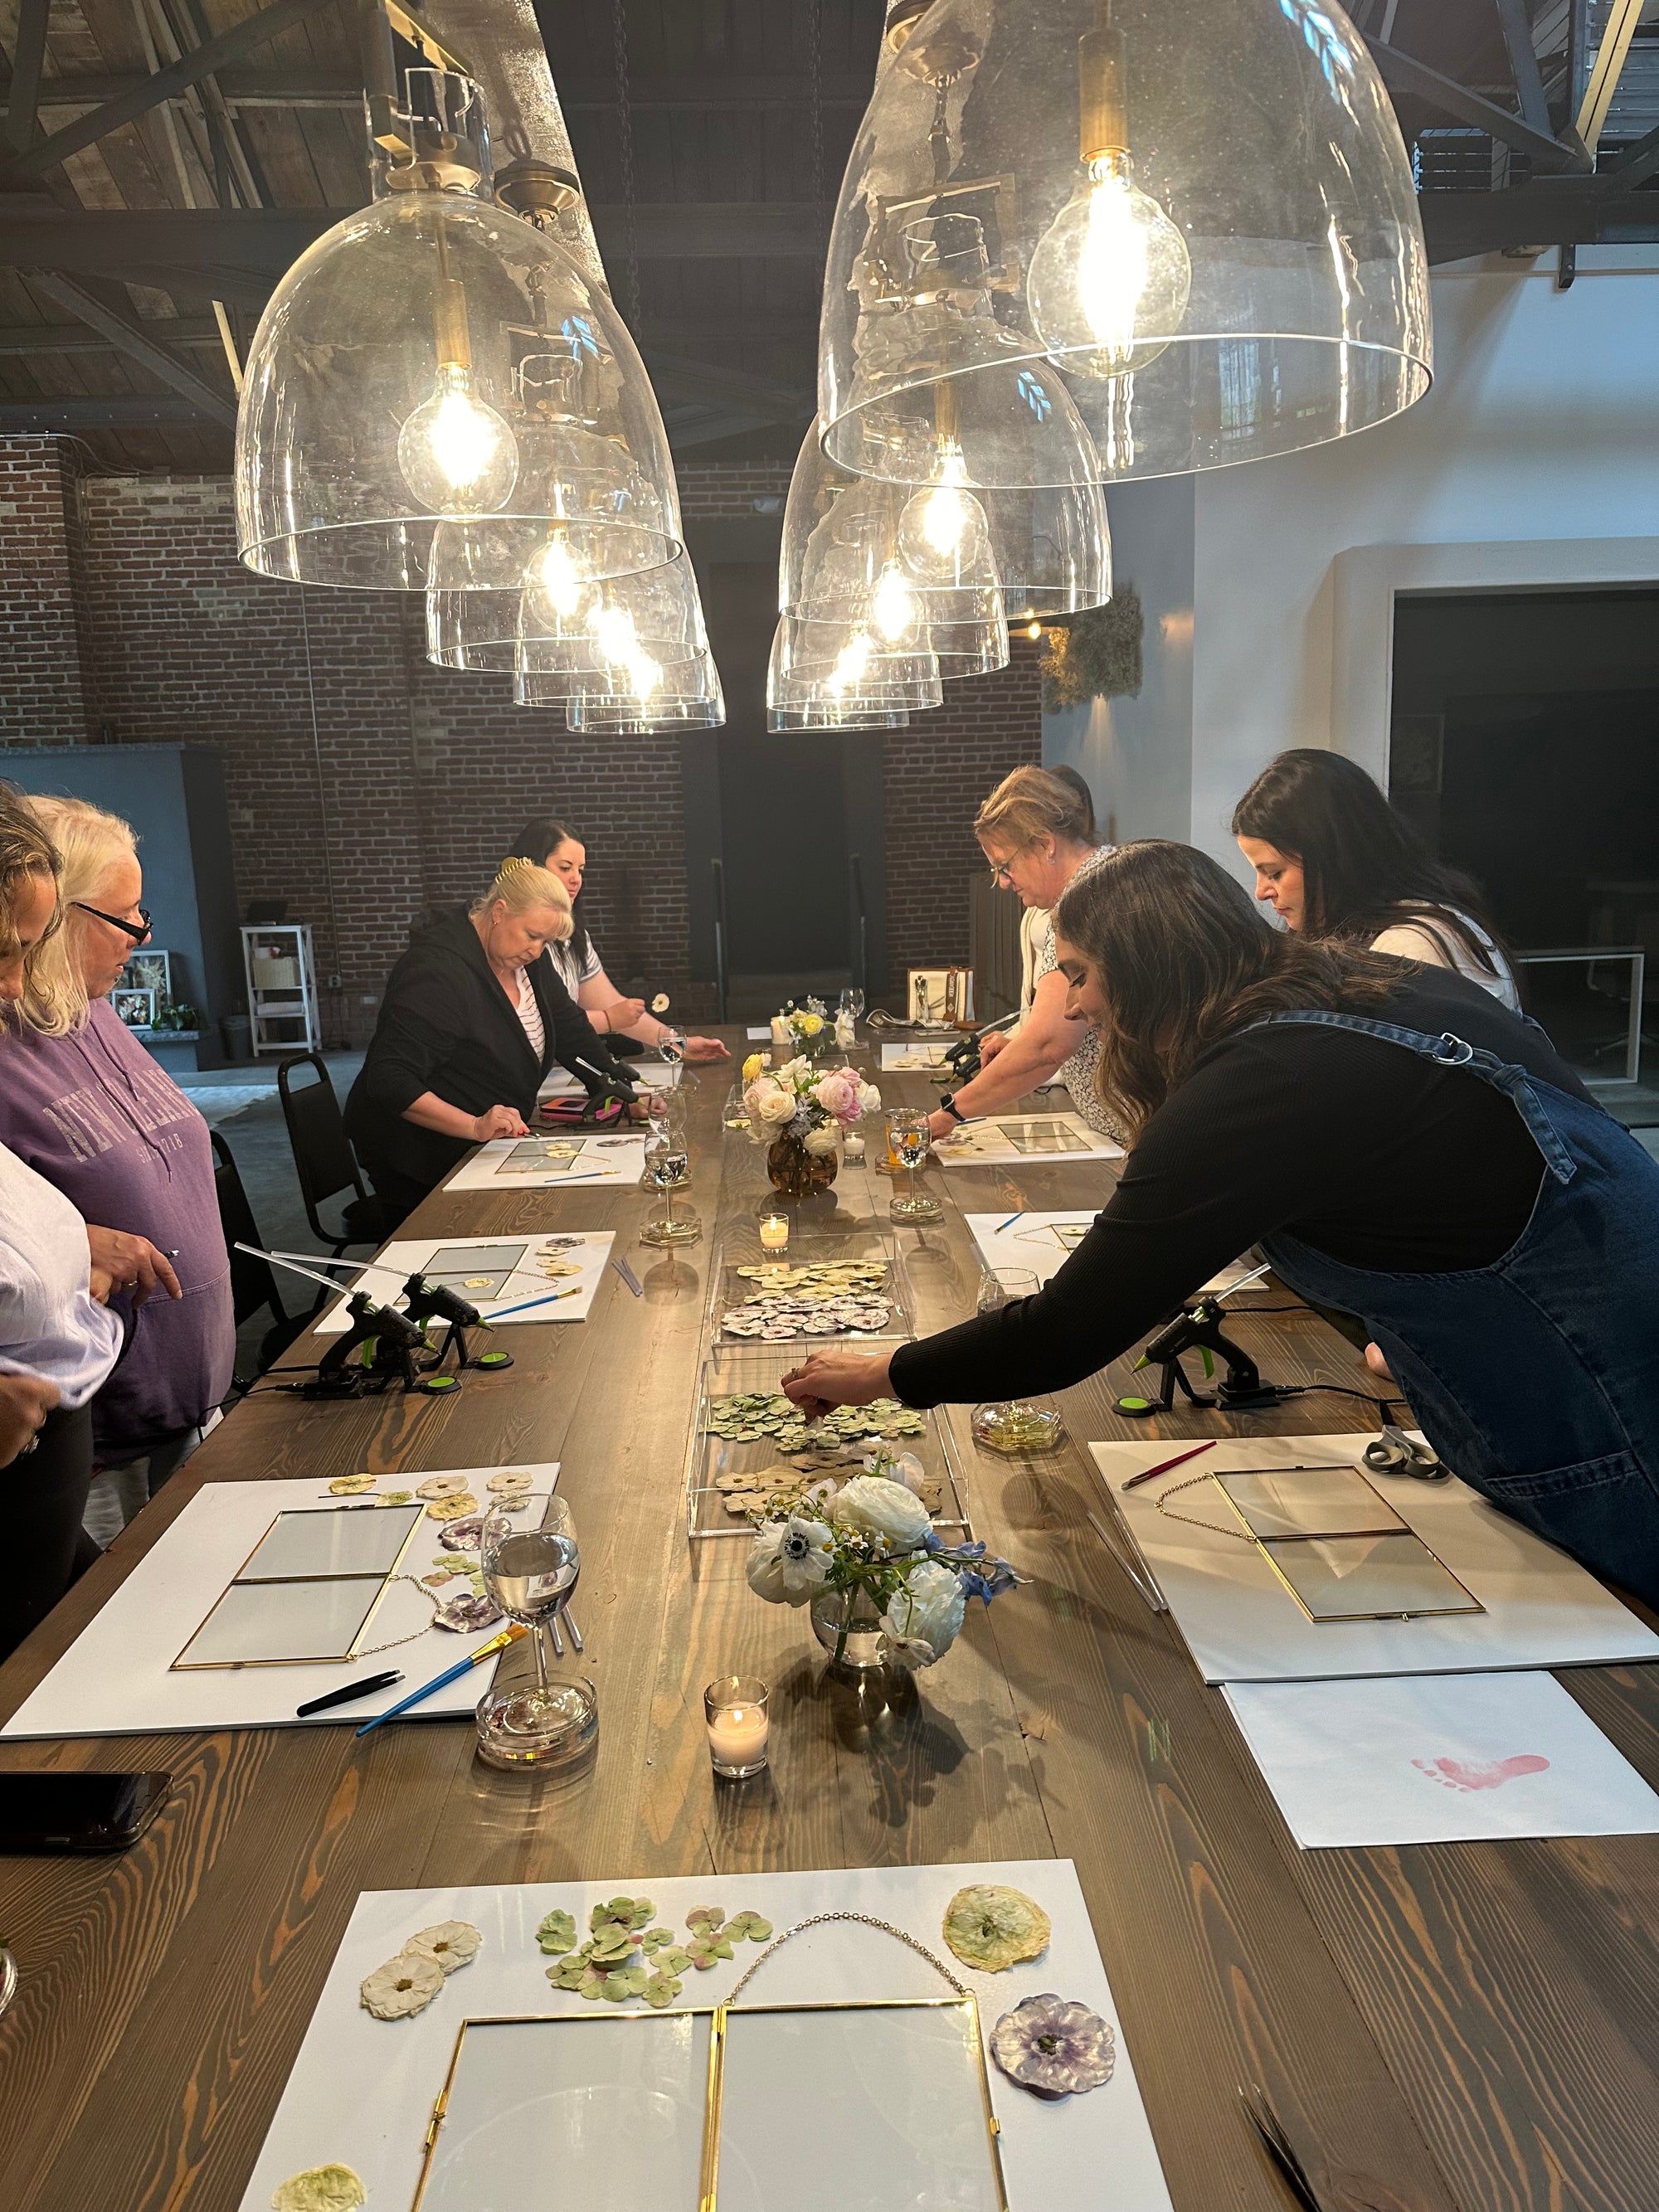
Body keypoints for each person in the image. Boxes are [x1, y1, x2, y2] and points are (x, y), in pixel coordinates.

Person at [784, 840, 1659, 1609]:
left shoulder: (1259, 1081)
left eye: (1081, 972)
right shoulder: (1374, 986)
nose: (1075, 1004)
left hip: (1595, 1396)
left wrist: (888, 1372)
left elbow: (1068, 1327)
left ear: (1147, 967)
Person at [0, 797, 232, 1519]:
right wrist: (73, 1243)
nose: (140, 935)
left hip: (187, 1402)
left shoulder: (94, 1010)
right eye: (124, 916)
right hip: (99, 1437)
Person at [0, 789, 125, 1659]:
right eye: (2, 952)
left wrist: (77, 1249)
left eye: (26, 952)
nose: (13, 985)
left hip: (34, 1552)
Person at [345, 859, 642, 1220]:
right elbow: (390, 1079)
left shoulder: (526, 959)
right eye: (532, 935)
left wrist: (621, 1090)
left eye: (545, 941)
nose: (537, 949)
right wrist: (473, 1125)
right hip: (420, 1156)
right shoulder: (438, 972)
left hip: (484, 1146)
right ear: (499, 912)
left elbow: (570, 1029)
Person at [920, 765, 1121, 1145]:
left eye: (1004, 866)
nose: (1002, 882)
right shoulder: (1098, 880)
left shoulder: (1087, 900)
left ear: (1046, 844)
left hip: (1140, 1129)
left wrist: (948, 1115)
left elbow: (1050, 1043)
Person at [1233, 748, 1520, 1012]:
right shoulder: (1355, 933)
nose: (1261, 892)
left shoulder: (1416, 946)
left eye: (1274, 873)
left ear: (1334, 858)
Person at [513, 815, 729, 1063]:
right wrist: (608, 1019)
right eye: (565, 868)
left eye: (580, 870)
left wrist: (679, 1044)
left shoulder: (573, 937)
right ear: (532, 868)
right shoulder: (512, 938)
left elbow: (612, 1003)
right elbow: (541, 1019)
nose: (576, 879)